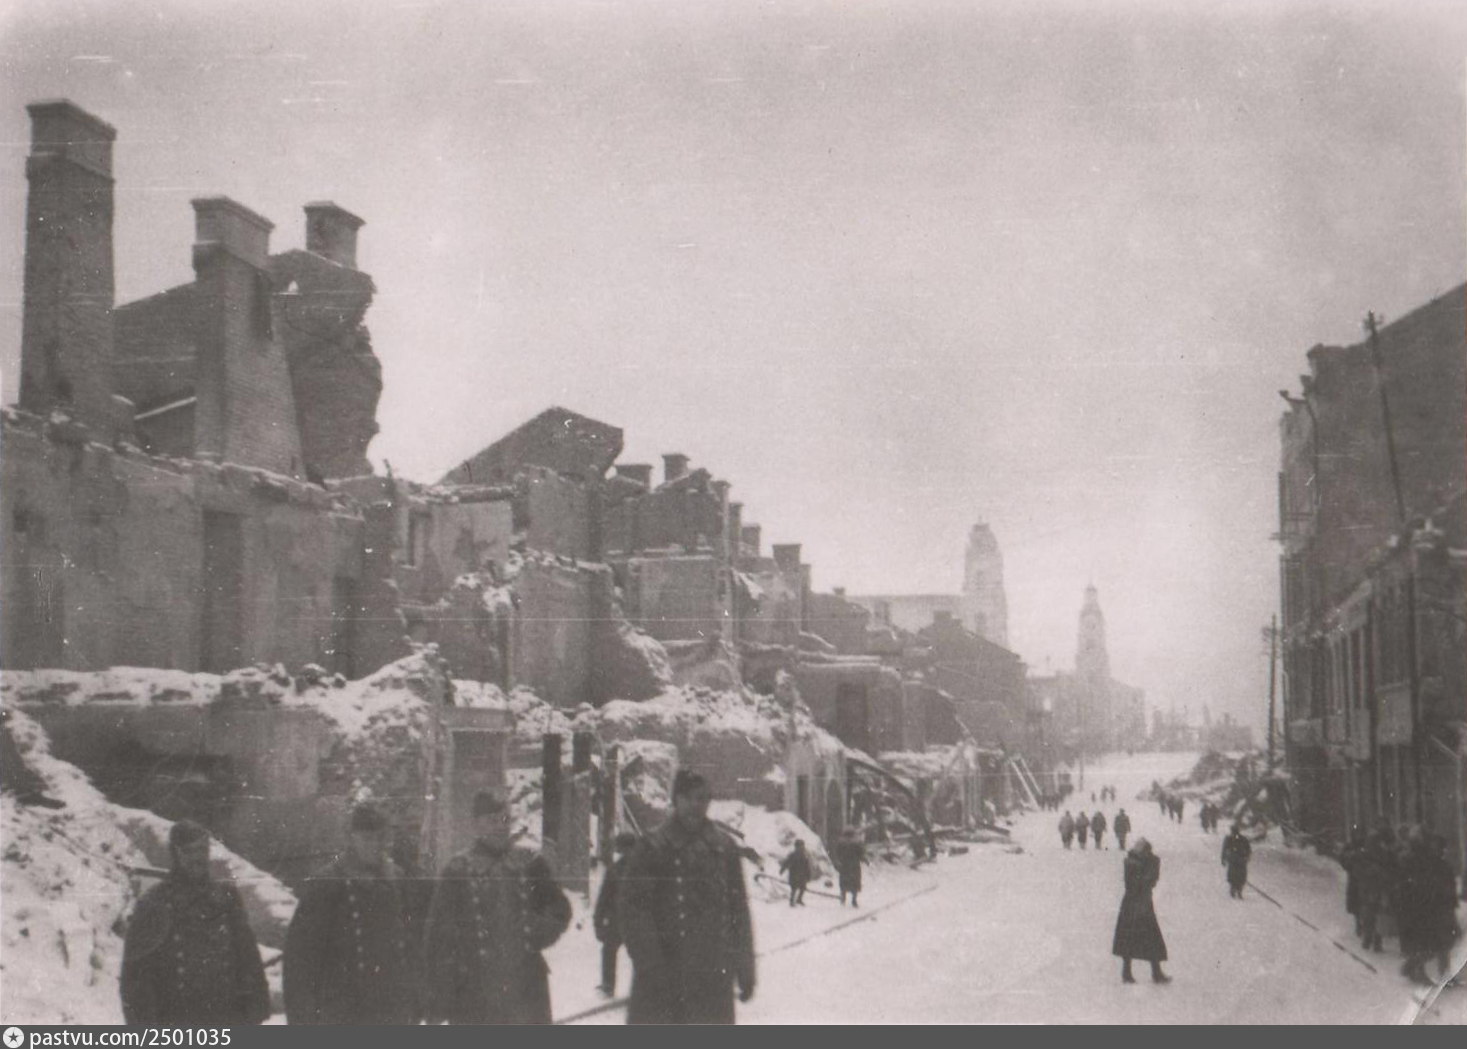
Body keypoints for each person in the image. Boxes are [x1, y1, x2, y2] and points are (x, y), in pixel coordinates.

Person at [423, 791, 572, 1023]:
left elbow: (559, 907)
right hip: (475, 991)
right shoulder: (458, 870)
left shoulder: (530, 862)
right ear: (476, 825)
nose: (500, 827)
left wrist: (537, 930)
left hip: (525, 988)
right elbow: (439, 937)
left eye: (504, 819)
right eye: (492, 820)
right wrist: (439, 997)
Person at [620, 769, 756, 1024]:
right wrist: (651, 965)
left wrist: (745, 966)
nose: (697, 805)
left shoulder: (724, 847)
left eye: (703, 799)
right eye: (689, 798)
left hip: (711, 980)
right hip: (663, 978)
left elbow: (738, 911)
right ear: (676, 800)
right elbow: (634, 912)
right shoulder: (652, 847)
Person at [120, 820, 270, 1026]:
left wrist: (255, 1008)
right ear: (175, 854)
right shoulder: (155, 903)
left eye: (202, 849)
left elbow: (248, 957)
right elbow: (135, 979)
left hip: (226, 1019)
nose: (197, 857)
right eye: (189, 851)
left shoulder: (226, 897)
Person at [284, 803, 421, 1024]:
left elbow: (411, 946)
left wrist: (415, 1006)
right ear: (351, 839)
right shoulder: (328, 882)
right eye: (367, 838)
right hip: (341, 1013)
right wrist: (303, 1018)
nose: (375, 845)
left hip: (390, 1011)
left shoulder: (397, 880)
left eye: (380, 838)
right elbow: (301, 959)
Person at [1112, 839, 1170, 984]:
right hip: (1139, 904)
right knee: (1149, 937)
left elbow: (1150, 881)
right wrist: (1150, 869)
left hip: (1133, 904)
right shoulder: (1134, 864)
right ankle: (1151, 972)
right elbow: (1142, 883)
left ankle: (1131, 973)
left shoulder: (1136, 862)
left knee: (1136, 938)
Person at [594, 832, 639, 997]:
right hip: (618, 920)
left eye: (630, 848)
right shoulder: (615, 870)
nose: (627, 852)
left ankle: (641, 988)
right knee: (608, 950)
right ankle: (608, 986)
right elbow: (603, 898)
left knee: (641, 953)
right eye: (624, 849)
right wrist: (598, 921)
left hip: (636, 920)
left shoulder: (643, 869)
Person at [833, 827, 865, 907]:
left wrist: (838, 861)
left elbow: (837, 853)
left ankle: (843, 897)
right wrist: (864, 859)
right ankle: (854, 900)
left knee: (844, 882)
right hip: (854, 866)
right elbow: (861, 854)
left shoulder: (841, 843)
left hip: (845, 866)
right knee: (855, 883)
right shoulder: (857, 843)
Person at [1221, 824, 1252, 899]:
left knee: (1235, 875)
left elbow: (1224, 849)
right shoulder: (1242, 838)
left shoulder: (1230, 838)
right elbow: (1248, 849)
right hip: (1239, 860)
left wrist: (1223, 859)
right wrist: (1247, 857)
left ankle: (1236, 889)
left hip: (1235, 860)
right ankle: (1237, 889)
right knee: (1240, 876)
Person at [780, 839, 813, 906]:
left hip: (802, 875)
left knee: (803, 888)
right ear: (796, 847)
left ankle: (799, 899)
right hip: (794, 874)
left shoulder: (805, 856)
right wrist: (782, 869)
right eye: (799, 846)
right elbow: (787, 862)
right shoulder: (793, 855)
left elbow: (807, 867)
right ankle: (792, 901)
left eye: (802, 846)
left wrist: (808, 875)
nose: (801, 847)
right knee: (794, 888)